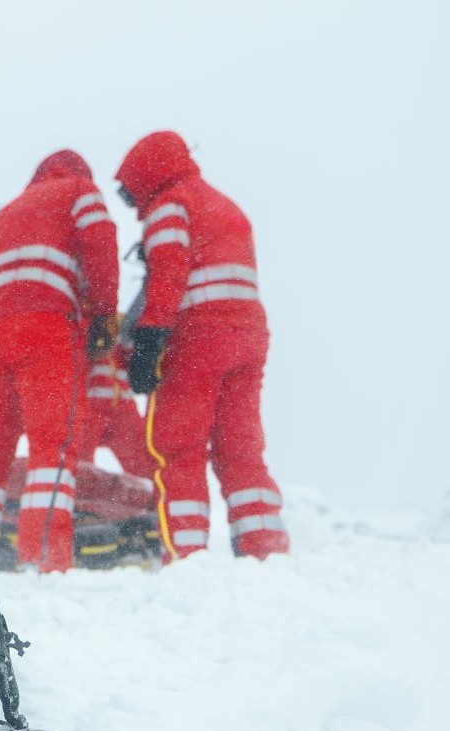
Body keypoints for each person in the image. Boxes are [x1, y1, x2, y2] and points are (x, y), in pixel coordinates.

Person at [115, 130, 289, 560]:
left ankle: (188, 556)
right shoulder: (227, 206)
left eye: (131, 195)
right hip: (248, 338)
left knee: (177, 447)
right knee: (241, 449)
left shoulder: (169, 206)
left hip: (197, 340)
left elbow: (167, 278)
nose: (135, 208)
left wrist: (149, 342)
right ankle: (264, 549)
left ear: (145, 177)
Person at [0, 150, 119, 572]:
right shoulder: (79, 191)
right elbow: (101, 243)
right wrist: (102, 314)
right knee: (52, 447)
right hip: (43, 326)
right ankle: (42, 559)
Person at [77, 285, 155, 479]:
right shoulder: (80, 327)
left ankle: (150, 501)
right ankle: (74, 498)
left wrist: (137, 341)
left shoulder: (119, 333)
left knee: (144, 464)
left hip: (122, 408)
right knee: (78, 463)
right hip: (89, 408)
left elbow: (133, 360)